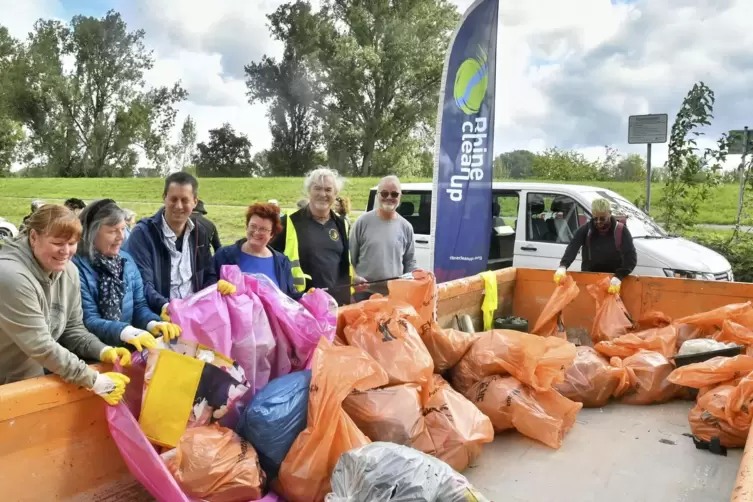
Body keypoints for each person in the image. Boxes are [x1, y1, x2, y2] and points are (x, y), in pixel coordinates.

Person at [0, 204, 131, 406]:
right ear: (33, 237)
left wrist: (102, 350)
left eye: (72, 243)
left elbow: (72, 328)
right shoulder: (10, 276)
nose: (66, 251)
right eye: (58, 243)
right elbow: (41, 345)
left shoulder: (68, 270)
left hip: (25, 380)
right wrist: (95, 380)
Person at [73, 200, 182, 352]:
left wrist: (154, 323)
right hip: (92, 354)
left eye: (123, 229)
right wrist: (127, 332)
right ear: (91, 233)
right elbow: (88, 320)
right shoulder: (76, 268)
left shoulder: (127, 261)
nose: (121, 237)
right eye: (112, 231)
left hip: (126, 350)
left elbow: (139, 306)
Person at [122, 172, 234, 318]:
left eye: (185, 200)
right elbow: (142, 283)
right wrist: (166, 306)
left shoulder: (200, 232)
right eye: (173, 199)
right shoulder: (143, 234)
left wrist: (211, 293)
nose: (178, 206)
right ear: (164, 198)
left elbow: (208, 273)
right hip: (159, 317)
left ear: (195, 202)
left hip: (196, 316)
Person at [270, 168, 357, 305]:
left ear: (335, 194)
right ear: (309, 191)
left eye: (328, 190)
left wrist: (352, 288)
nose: (322, 194)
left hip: (335, 304)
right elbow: (267, 257)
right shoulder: (289, 222)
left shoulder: (342, 224)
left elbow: (342, 264)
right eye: (317, 188)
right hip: (301, 304)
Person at [213, 203, 301, 299]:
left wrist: (307, 296)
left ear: (272, 233)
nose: (256, 232)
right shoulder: (224, 255)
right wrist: (216, 286)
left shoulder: (282, 262)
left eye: (263, 229)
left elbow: (290, 296)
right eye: (253, 226)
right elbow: (206, 286)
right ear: (247, 226)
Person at [350, 175, 417, 298]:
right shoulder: (362, 222)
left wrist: (416, 277)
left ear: (400, 197)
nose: (389, 198)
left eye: (394, 194)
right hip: (364, 294)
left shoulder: (406, 227)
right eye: (384, 194)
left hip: (394, 294)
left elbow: (410, 262)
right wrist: (354, 280)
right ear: (377, 196)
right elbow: (350, 259)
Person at [554, 198, 637, 294]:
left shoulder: (621, 231)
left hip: (613, 282)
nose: (598, 222)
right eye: (595, 218)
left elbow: (631, 258)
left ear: (610, 213)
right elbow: (572, 248)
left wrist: (619, 277)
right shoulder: (586, 230)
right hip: (590, 280)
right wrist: (563, 266)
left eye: (602, 218)